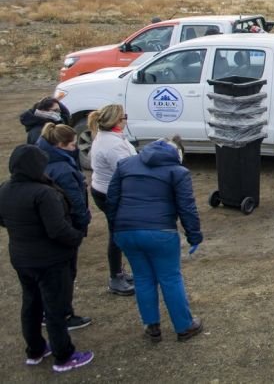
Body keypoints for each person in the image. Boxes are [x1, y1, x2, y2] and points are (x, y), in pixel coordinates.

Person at [0, 145, 94, 373]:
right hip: (51, 260)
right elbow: (58, 229)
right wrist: (77, 237)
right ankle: (64, 355)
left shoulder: (5, 188)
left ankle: (35, 349)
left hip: (21, 257)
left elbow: (3, 220)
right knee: (55, 308)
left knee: (31, 304)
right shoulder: (43, 193)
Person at [106, 137, 204, 343]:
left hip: (127, 231)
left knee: (142, 278)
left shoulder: (126, 164)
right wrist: (194, 235)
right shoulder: (177, 172)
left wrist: (116, 229)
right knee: (170, 278)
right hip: (160, 232)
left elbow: (112, 199)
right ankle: (184, 326)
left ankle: (152, 326)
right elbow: (187, 207)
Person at [37, 124, 92, 331]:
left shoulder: (43, 157)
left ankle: (49, 310)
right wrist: (82, 222)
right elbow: (75, 200)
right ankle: (63, 315)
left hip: (50, 227)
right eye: (72, 144)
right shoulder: (62, 168)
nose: (75, 147)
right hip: (67, 225)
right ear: (60, 145)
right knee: (65, 274)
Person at [88, 104, 136, 296]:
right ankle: (115, 277)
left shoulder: (109, 137)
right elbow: (128, 170)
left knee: (118, 233)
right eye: (124, 116)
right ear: (117, 121)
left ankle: (119, 272)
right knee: (117, 235)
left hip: (104, 190)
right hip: (110, 194)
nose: (126, 119)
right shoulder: (112, 145)